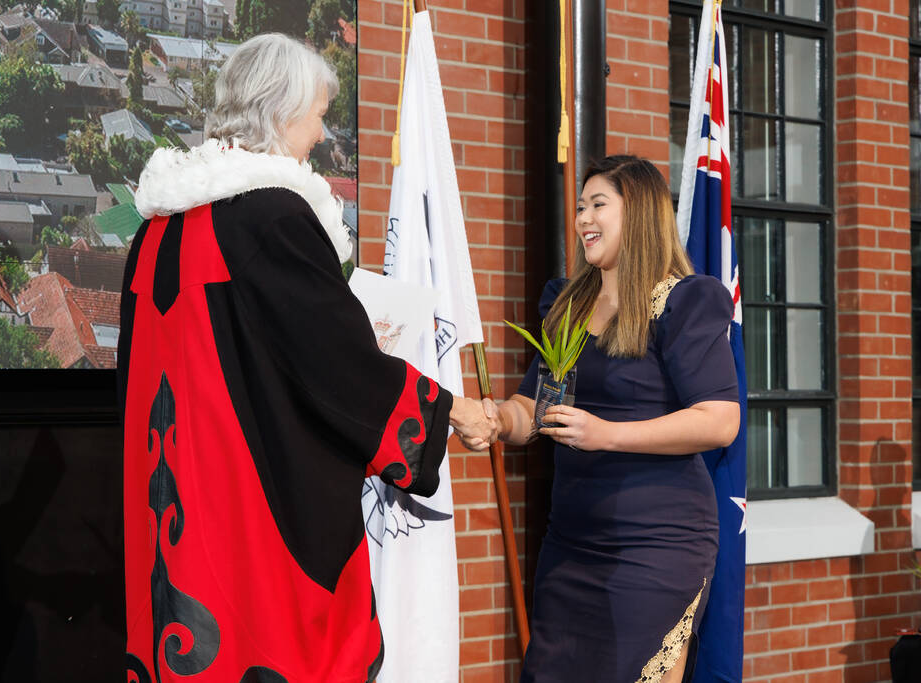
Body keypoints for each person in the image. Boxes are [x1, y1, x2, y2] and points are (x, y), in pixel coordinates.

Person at [118, 33, 496, 683]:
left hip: (176, 522)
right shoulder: (271, 218)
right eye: (320, 115)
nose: (322, 135)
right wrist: (449, 410)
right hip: (253, 527)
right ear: (283, 111)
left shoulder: (156, 229)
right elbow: (338, 370)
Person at [468, 156, 740, 683]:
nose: (582, 219)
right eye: (579, 207)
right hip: (571, 545)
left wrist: (607, 434)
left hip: (658, 548)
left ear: (637, 213)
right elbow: (537, 408)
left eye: (598, 205)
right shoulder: (569, 306)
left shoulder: (682, 302)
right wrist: (498, 419)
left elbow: (719, 419)